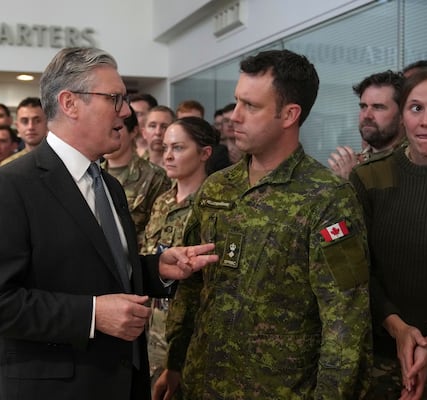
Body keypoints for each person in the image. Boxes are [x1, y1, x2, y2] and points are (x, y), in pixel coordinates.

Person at [0, 47, 218, 400]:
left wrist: (156, 269)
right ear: (70, 103)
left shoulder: (107, 184)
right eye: (115, 98)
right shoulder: (6, 187)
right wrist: (92, 314)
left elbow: (92, 267)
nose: (126, 112)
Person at [154, 49, 372, 399]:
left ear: (289, 114)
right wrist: (175, 362)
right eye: (236, 102)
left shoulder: (327, 198)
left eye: (251, 106)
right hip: (203, 380)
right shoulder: (217, 187)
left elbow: (345, 321)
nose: (234, 117)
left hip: (278, 389)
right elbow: (192, 286)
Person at [351, 65, 427, 400]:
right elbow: (356, 269)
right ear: (403, 115)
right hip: (379, 359)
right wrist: (398, 327)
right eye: (416, 108)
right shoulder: (367, 180)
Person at [140, 116, 219, 385]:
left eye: (178, 148)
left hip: (190, 335)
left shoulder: (213, 206)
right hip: (152, 328)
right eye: (165, 148)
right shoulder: (162, 200)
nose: (168, 156)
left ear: (204, 153)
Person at [102, 108, 170, 246]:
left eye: (116, 129)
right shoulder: (93, 174)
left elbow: (158, 232)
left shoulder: (154, 176)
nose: (106, 134)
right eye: (102, 128)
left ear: (133, 131)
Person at [328, 70, 405, 179]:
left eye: (378, 107)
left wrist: (353, 180)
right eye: (363, 106)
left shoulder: (415, 161)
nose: (367, 115)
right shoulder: (352, 163)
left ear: (402, 115)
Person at [0, 97, 48, 166]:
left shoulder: (61, 160)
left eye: (37, 121)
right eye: (24, 121)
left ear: (47, 124)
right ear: (17, 126)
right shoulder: (8, 165)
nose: (30, 127)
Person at [130, 93, 158, 158]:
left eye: (137, 114)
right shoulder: (121, 149)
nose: (131, 119)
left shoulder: (163, 151)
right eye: (130, 114)